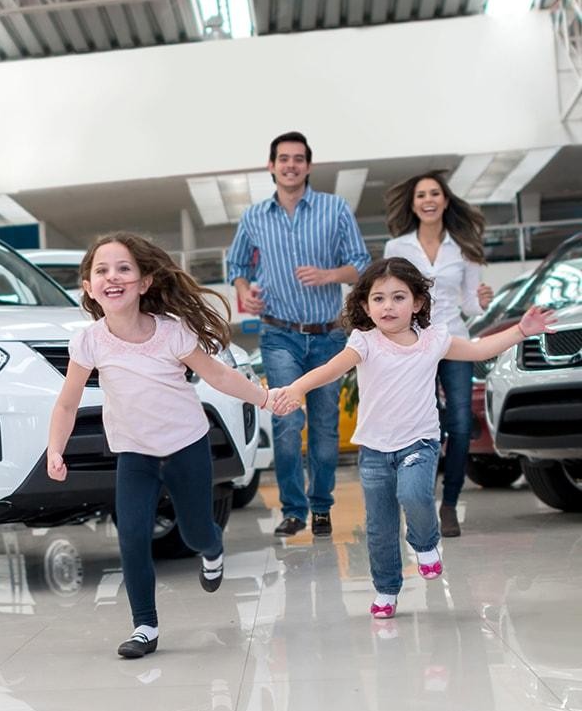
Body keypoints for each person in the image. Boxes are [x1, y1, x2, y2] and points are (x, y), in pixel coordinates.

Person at [273, 257, 556, 619]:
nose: (387, 306)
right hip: (374, 451)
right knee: (379, 527)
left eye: (398, 297)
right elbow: (331, 369)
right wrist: (297, 388)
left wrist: (521, 330)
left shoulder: (434, 340)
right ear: (365, 305)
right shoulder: (364, 341)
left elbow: (479, 350)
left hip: (419, 443)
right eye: (378, 299)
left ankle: (425, 544)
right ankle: (387, 590)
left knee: (414, 494)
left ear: (418, 303)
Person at [46, 232, 279, 659]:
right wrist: (55, 449)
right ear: (88, 287)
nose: (111, 277)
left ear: (145, 282)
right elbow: (67, 401)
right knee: (132, 538)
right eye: (101, 270)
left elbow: (218, 376)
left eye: (123, 269)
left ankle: (213, 548)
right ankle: (145, 626)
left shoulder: (172, 333)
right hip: (134, 455)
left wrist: (264, 397)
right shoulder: (89, 341)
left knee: (194, 533)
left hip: (186, 447)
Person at [227, 131, 370, 538]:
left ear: (308, 165)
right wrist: (243, 291)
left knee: (325, 426)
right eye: (283, 159)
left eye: (298, 159)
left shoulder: (335, 208)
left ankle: (321, 506)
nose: (290, 165)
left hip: (329, 337)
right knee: (287, 420)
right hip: (279, 333)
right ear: (271, 166)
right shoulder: (254, 217)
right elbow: (236, 264)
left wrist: (330, 275)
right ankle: (293, 510)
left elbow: (360, 263)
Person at [384, 170, 494, 537]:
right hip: (414, 346)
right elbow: (392, 298)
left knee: (461, 423)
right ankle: (422, 502)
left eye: (434, 193)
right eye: (421, 195)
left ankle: (449, 504)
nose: (428, 200)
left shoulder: (463, 247)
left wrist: (479, 301)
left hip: (453, 340)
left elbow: (469, 304)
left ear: (445, 200)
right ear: (413, 204)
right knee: (423, 426)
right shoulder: (397, 248)